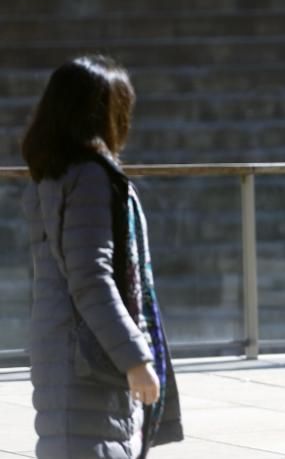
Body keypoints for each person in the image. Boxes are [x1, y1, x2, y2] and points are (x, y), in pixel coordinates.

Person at [21, 55, 183, 458]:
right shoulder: (90, 178)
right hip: (86, 361)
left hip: (65, 353)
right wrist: (135, 359)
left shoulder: (52, 177)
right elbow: (90, 277)